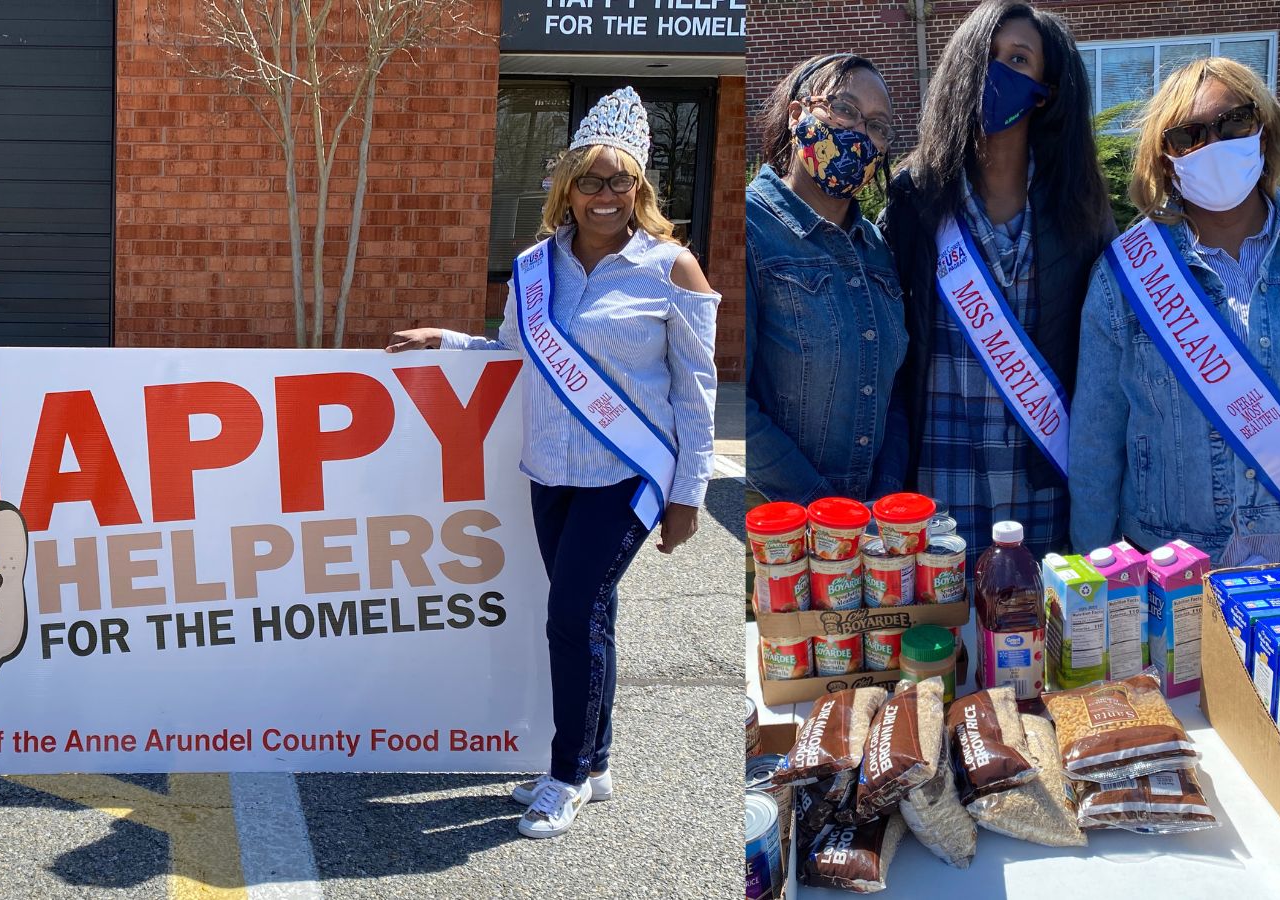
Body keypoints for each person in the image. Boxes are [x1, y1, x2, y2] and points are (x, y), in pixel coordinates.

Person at [387, 87, 720, 837]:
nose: (607, 196)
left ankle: (564, 774)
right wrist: (447, 339)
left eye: (622, 180)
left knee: (569, 617)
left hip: (629, 476)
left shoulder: (673, 269)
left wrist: (688, 495)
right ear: (567, 187)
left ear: (641, 188)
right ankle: (596, 761)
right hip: (551, 473)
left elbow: (698, 392)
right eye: (592, 180)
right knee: (591, 614)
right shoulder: (534, 269)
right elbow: (512, 356)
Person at [1068, 57, 1280, 564]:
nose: (1214, 144)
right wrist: (1096, 576)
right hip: (1174, 570)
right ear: (1165, 158)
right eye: (1188, 135)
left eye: (1234, 121)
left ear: (1265, 128)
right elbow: (1097, 441)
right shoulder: (1126, 273)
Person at [878, 0, 1115, 560]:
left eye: (1018, 59)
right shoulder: (915, 202)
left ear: (1047, 88)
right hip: (938, 482)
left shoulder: (1079, 212)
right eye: (984, 56)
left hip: (1044, 486)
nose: (995, 74)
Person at [746, 53, 906, 505]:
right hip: (779, 530)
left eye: (877, 126)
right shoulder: (752, 230)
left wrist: (883, 501)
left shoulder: (878, 248)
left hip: (870, 528)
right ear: (798, 114)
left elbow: (896, 394)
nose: (860, 133)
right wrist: (827, 508)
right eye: (845, 110)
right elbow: (736, 402)